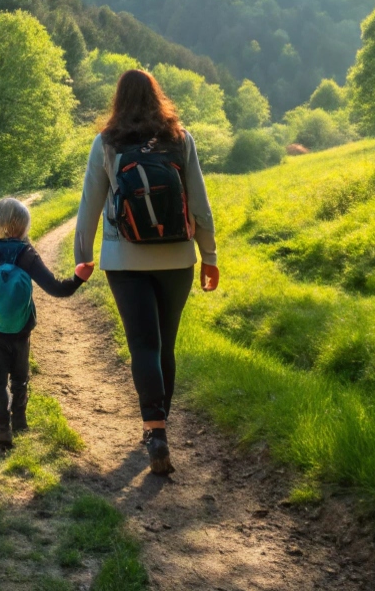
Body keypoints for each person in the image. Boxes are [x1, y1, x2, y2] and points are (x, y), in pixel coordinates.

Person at [73, 69, 220, 476]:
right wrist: (209, 255)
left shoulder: (106, 143)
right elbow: (200, 205)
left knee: (144, 346)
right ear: (159, 98)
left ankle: (154, 431)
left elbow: (89, 206)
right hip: (177, 259)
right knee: (165, 345)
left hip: (125, 260)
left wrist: (82, 257)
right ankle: (160, 430)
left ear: (117, 101)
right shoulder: (181, 139)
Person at [0, 196, 92, 450]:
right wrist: (78, 278)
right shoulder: (26, 252)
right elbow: (57, 288)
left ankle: (2, 429)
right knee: (20, 376)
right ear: (25, 230)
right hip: (22, 330)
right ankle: (20, 420)